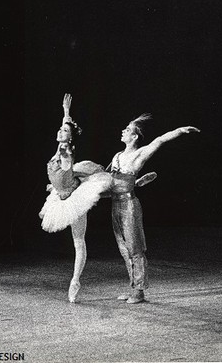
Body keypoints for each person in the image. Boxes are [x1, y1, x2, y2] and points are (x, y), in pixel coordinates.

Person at [108, 114, 200, 304]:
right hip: (115, 204)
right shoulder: (117, 156)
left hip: (129, 206)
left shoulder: (139, 154)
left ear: (134, 137)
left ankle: (139, 291)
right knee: (123, 248)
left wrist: (180, 131)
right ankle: (133, 286)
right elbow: (107, 181)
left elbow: (159, 140)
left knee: (135, 248)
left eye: (127, 130)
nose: (123, 131)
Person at [39, 94, 113, 303]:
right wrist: (66, 113)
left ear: (69, 139)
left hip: (74, 197)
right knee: (77, 240)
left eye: (63, 131)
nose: (59, 131)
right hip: (61, 194)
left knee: (79, 242)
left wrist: (66, 165)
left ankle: (75, 281)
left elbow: (67, 155)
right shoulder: (60, 147)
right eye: (60, 129)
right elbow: (65, 134)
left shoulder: (66, 151)